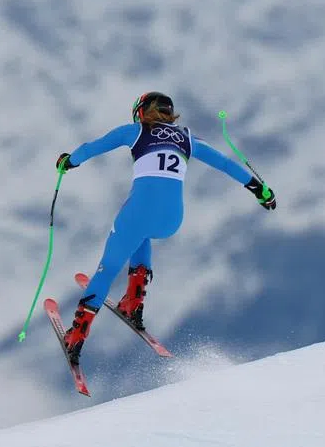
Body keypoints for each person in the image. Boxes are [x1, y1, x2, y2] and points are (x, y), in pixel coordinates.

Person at [54, 91, 276, 364]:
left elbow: (91, 147)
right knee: (142, 235)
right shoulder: (187, 138)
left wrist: (69, 162)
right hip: (172, 220)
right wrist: (260, 189)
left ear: (142, 111)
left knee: (108, 267)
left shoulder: (135, 131)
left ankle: (76, 337)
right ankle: (134, 302)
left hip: (138, 214)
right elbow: (226, 164)